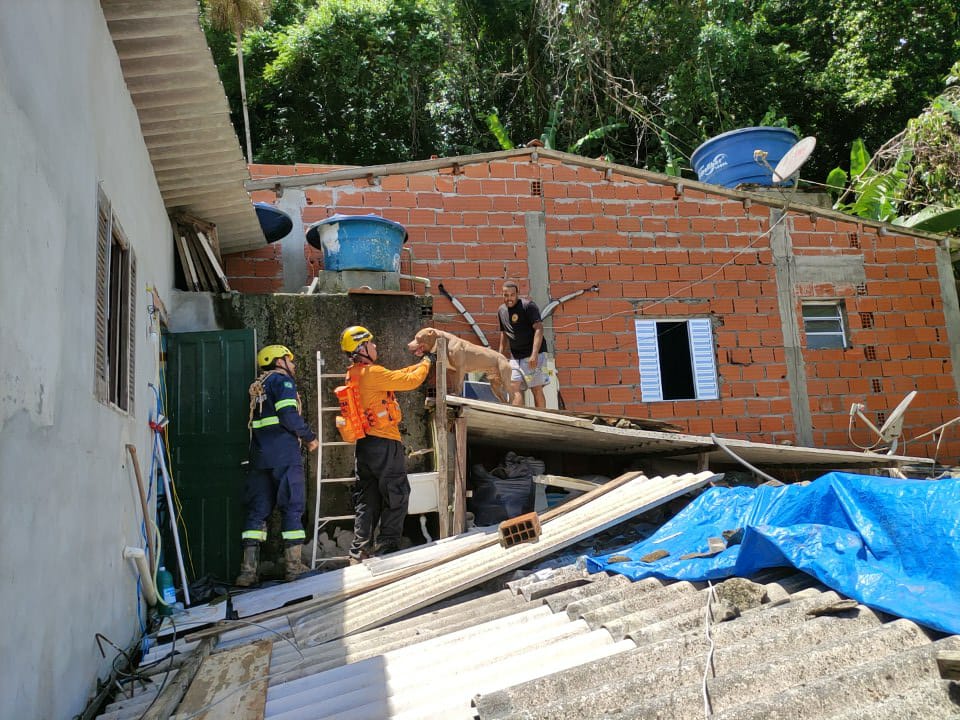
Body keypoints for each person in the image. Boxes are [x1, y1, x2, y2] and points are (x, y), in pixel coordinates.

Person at [340, 325, 432, 562]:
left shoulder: (354, 374)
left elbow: (396, 375)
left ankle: (359, 550)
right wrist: (428, 362)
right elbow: (410, 380)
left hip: (365, 446)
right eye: (370, 342)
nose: (375, 346)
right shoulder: (372, 373)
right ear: (361, 348)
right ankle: (387, 546)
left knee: (367, 499)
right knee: (396, 493)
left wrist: (419, 362)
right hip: (384, 443)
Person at [235, 344, 319, 586]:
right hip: (283, 455)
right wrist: (309, 437)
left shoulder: (259, 386)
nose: (293, 365)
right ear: (279, 362)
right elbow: (288, 415)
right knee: (292, 507)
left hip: (260, 457)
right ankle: (293, 568)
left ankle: (247, 572)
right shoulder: (282, 382)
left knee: (257, 511)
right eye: (289, 360)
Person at [497, 281, 550, 408]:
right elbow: (504, 334)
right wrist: (499, 356)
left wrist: (534, 354)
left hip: (534, 355)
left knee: (536, 388)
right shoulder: (501, 310)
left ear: (517, 294)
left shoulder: (528, 306)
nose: (509, 298)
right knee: (513, 387)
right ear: (502, 295)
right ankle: (517, 417)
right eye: (506, 295)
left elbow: (539, 328)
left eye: (512, 295)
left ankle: (541, 417)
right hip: (516, 357)